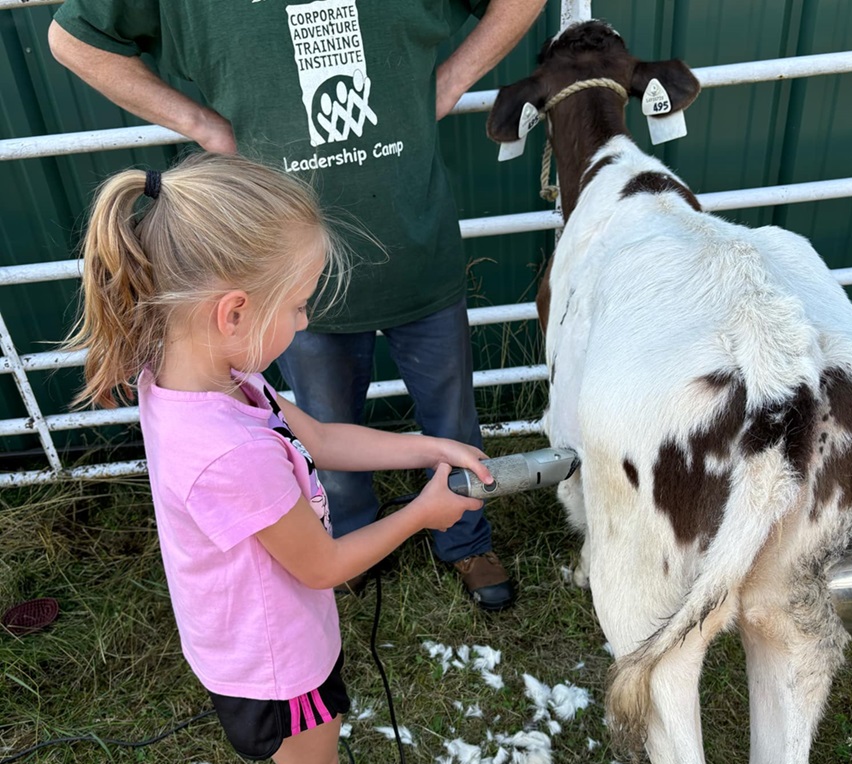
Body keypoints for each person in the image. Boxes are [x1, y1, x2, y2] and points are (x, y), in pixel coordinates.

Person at [66, 151, 492, 764]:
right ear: (232, 313)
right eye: (296, 307)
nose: (303, 323)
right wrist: (420, 517)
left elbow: (323, 436)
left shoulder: (210, 377)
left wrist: (428, 449)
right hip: (272, 662)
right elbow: (323, 564)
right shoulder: (228, 451)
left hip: (267, 635)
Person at [49, 0, 548, 611]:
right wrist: (201, 125)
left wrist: (449, 81)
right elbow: (74, 38)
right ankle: (349, 543)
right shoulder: (220, 415)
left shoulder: (199, 401)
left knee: (452, 422)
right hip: (276, 274)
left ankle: (465, 540)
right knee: (317, 436)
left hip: (416, 250)